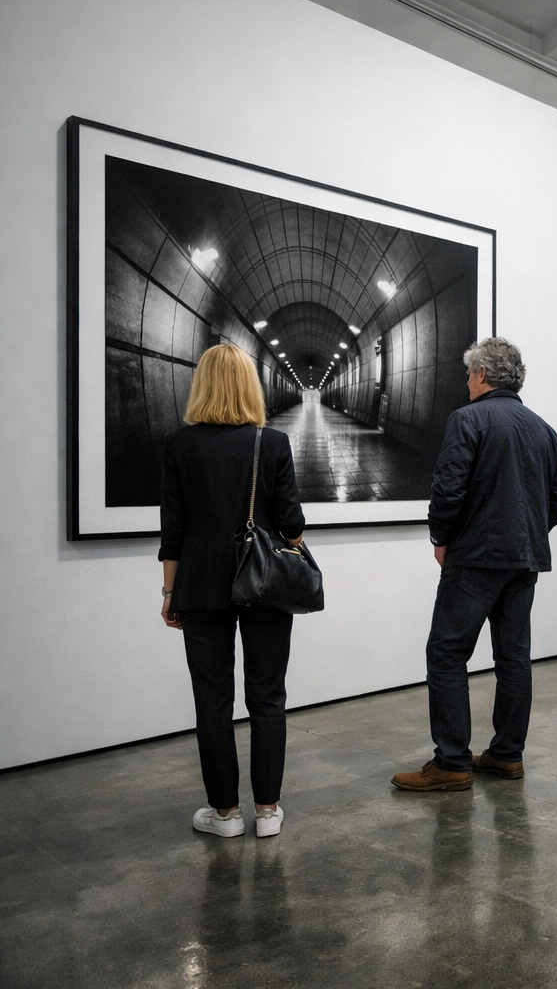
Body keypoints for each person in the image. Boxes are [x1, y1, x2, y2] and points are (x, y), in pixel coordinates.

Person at [392, 338, 557, 792]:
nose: (467, 382)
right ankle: (508, 756)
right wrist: (528, 530)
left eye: (470, 374)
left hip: (474, 558)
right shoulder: (542, 429)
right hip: (523, 560)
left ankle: (452, 762)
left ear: (483, 376)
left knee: (447, 653)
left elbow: (448, 489)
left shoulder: (468, 419)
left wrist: (443, 537)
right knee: (514, 658)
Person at [159, 343, 306, 839]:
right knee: (268, 697)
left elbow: (173, 530)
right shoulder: (273, 444)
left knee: (212, 701)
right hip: (263, 583)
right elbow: (291, 522)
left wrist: (168, 592)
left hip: (199, 586)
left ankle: (224, 814)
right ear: (251, 386)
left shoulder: (179, 446)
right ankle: (267, 811)